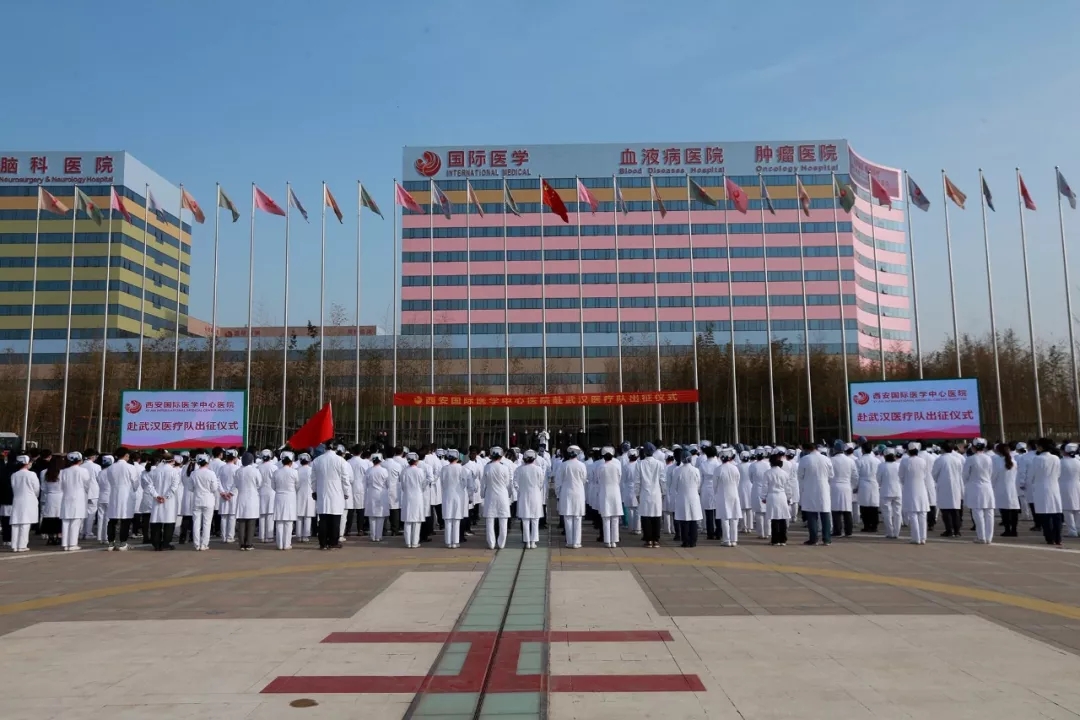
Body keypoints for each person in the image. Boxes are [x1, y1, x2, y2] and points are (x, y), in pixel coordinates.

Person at [313, 445, 351, 550]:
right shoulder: (340, 460)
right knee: (335, 520)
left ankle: (323, 543)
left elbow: (313, 478)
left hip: (322, 492)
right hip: (336, 493)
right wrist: (346, 491)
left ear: (325, 448)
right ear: (335, 448)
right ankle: (333, 542)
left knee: (323, 519)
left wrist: (314, 490)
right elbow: (345, 478)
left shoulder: (317, 460)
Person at [798, 443, 834, 546]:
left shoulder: (805, 459)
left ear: (807, 450)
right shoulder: (826, 459)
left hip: (810, 489)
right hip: (823, 488)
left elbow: (800, 475)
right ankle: (827, 538)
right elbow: (831, 475)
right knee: (825, 513)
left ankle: (813, 539)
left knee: (811, 514)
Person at [1030, 437, 1064, 546]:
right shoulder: (1056, 458)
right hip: (1054, 487)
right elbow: (1059, 474)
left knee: (1045, 515)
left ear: (1041, 447)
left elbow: (1031, 475)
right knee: (1056, 514)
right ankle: (1058, 538)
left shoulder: (1037, 459)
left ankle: (1049, 538)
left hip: (1041, 488)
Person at [962, 438, 995, 544]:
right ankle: (989, 537)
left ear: (973, 447)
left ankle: (981, 537)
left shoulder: (971, 459)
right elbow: (991, 473)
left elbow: (965, 475)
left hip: (975, 487)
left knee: (977, 512)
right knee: (989, 512)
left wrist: (968, 482)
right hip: (987, 486)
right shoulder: (989, 458)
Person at [481, 447, 512, 550]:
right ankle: (501, 543)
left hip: (490, 495)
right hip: (502, 495)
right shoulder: (505, 467)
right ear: (501, 456)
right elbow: (508, 483)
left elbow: (483, 483)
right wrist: (509, 494)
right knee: (503, 520)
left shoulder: (487, 467)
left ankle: (491, 543)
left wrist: (482, 494)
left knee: (490, 520)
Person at [898, 443, 930, 545]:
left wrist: (906, 482)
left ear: (908, 451)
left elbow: (901, 476)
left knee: (913, 514)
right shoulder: (922, 461)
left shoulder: (905, 461)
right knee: (922, 514)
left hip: (910, 489)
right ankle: (923, 538)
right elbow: (925, 475)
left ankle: (916, 538)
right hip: (922, 488)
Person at [59, 452, 91, 551]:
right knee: (75, 521)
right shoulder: (83, 471)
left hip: (66, 496)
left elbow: (61, 486)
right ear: (80, 460)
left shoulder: (63, 472)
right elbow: (87, 485)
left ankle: (65, 543)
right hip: (79, 497)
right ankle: (72, 543)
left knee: (66, 521)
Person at [556, 446, 587, 549]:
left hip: (566, 493)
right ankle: (577, 542)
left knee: (568, 517)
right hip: (578, 492)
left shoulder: (563, 465)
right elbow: (584, 479)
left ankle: (569, 541)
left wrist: (558, 494)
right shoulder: (582, 465)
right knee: (577, 518)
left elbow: (558, 481)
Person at [514, 450, 546, 549]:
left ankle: (527, 541)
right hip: (536, 496)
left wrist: (521, 490)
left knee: (525, 520)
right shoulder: (539, 469)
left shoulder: (519, 469)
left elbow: (515, 484)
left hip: (523, 496)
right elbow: (541, 483)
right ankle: (533, 542)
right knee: (535, 520)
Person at [636, 443, 666, 548]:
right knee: (656, 517)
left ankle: (648, 540)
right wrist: (664, 492)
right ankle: (656, 540)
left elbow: (637, 481)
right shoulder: (659, 464)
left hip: (644, 493)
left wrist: (637, 494)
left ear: (644, 452)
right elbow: (663, 480)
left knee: (646, 517)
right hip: (656, 492)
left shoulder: (639, 464)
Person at [439, 450, 471, 548]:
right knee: (456, 519)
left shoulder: (444, 469)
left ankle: (448, 541)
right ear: (457, 458)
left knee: (448, 519)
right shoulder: (462, 469)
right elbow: (465, 483)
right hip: (458, 495)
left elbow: (442, 482)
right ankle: (455, 541)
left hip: (447, 495)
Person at [932, 442, 965, 538]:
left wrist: (939, 480)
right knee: (955, 510)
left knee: (946, 510)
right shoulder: (957, 459)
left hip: (944, 486)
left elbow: (934, 474)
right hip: (956, 486)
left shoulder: (940, 460)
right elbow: (961, 472)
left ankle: (949, 530)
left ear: (943, 449)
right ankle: (957, 531)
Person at [189, 454, 221, 551]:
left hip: (197, 499)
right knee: (207, 523)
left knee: (196, 523)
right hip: (208, 499)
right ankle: (204, 544)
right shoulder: (211, 473)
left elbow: (190, 488)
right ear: (207, 462)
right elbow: (214, 488)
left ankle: (196, 544)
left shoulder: (193, 473)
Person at [672, 450, 703, 548]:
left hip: (682, 497)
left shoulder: (678, 471)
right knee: (693, 520)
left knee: (684, 520)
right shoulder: (696, 470)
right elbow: (699, 484)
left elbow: (674, 486)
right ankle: (693, 541)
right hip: (693, 496)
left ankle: (685, 541)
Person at [594, 447, 623, 549]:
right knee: (615, 518)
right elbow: (619, 479)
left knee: (606, 518)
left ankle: (607, 541)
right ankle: (614, 541)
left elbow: (597, 480)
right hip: (615, 492)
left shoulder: (600, 467)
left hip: (604, 492)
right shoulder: (617, 466)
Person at [400, 453, 430, 549]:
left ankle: (408, 542)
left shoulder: (404, 471)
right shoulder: (420, 471)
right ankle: (415, 542)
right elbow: (423, 484)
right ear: (416, 461)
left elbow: (402, 485)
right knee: (417, 521)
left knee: (407, 520)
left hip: (407, 496)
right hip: (417, 496)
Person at [9, 454, 39, 552]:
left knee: (16, 523)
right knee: (25, 523)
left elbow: (13, 487)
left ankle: (14, 545)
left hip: (17, 499)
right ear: (26, 463)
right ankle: (22, 545)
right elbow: (36, 489)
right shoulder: (32, 474)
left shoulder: (14, 475)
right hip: (29, 500)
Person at [234, 453, 263, 551]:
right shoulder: (255, 471)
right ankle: (249, 543)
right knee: (251, 521)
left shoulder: (238, 471)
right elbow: (259, 483)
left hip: (241, 496)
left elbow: (236, 484)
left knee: (241, 521)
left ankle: (242, 544)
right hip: (252, 497)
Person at [992, 442, 1021, 537]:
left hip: (1001, 488)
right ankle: (1014, 530)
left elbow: (994, 476)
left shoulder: (997, 462)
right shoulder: (1014, 461)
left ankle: (1007, 530)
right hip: (1013, 488)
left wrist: (992, 485)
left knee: (1004, 511)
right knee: (1013, 510)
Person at [715, 447, 741, 547]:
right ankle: (734, 540)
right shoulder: (735, 468)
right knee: (734, 517)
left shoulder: (718, 469)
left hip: (723, 495)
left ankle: (726, 540)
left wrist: (716, 493)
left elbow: (714, 485)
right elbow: (737, 481)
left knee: (724, 518)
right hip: (734, 493)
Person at [763, 448, 790, 546]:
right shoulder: (784, 473)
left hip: (772, 496)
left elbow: (765, 486)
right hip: (782, 496)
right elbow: (788, 487)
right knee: (783, 518)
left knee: (774, 519)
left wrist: (763, 497)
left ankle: (775, 540)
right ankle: (783, 539)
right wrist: (789, 497)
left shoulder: (768, 473)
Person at [272, 453, 298, 550]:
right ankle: (287, 544)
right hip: (290, 497)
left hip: (279, 497)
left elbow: (273, 486)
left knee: (279, 522)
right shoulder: (294, 472)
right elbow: (297, 485)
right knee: (288, 522)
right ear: (291, 462)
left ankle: (279, 544)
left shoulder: (276, 472)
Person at [831, 443, 857, 538]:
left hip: (834, 486)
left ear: (835, 450)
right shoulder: (850, 461)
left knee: (836, 510)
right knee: (847, 510)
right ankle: (848, 531)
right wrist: (853, 486)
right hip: (847, 486)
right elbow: (855, 476)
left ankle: (837, 530)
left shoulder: (831, 460)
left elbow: (829, 475)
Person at [877, 447, 903, 539]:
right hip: (897, 491)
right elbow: (902, 478)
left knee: (887, 513)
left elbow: (878, 479)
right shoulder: (898, 465)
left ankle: (889, 532)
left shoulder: (881, 466)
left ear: (885, 456)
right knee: (897, 512)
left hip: (885, 491)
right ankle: (896, 533)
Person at [855, 442, 880, 532]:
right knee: (874, 506)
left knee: (864, 506)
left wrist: (856, 486)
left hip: (863, 484)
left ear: (862, 450)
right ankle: (874, 525)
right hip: (874, 483)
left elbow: (856, 475)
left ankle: (867, 525)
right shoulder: (877, 461)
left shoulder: (859, 461)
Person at [364, 454, 390, 542]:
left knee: (372, 517)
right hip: (381, 494)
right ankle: (378, 536)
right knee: (380, 516)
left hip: (371, 493)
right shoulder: (384, 471)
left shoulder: (368, 470)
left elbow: (365, 483)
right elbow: (388, 483)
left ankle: (373, 536)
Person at [39, 455, 64, 546]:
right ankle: (59, 536)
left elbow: (43, 487)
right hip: (60, 496)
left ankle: (50, 537)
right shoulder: (62, 473)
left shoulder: (44, 472)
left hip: (49, 497)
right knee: (59, 517)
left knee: (49, 518)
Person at [216, 450, 240, 543]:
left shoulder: (222, 468)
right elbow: (237, 483)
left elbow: (218, 481)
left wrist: (222, 492)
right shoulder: (237, 468)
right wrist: (231, 493)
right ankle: (230, 537)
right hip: (233, 495)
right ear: (235, 458)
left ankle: (224, 537)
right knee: (232, 516)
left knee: (224, 517)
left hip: (224, 495)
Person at [1059, 443, 1080, 538]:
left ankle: (1072, 531)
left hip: (1064, 486)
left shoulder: (1061, 462)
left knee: (1067, 510)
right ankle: (1078, 529)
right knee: (1078, 509)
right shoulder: (1078, 461)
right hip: (1077, 485)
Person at [295, 453, 316, 543]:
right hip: (310, 494)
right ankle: (306, 535)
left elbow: (295, 484)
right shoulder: (311, 470)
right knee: (308, 516)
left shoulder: (297, 470)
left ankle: (299, 535)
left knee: (299, 516)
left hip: (299, 494)